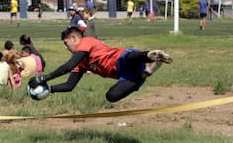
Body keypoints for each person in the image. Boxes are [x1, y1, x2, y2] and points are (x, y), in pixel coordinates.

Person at [28, 26, 172, 102]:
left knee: (130, 57)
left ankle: (149, 55)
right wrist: (49, 89)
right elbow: (69, 86)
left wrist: (44, 78)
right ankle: (148, 71)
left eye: (66, 43)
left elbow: (68, 66)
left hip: (122, 59)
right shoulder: (81, 63)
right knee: (111, 96)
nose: (66, 47)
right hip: (125, 76)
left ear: (74, 38)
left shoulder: (86, 42)